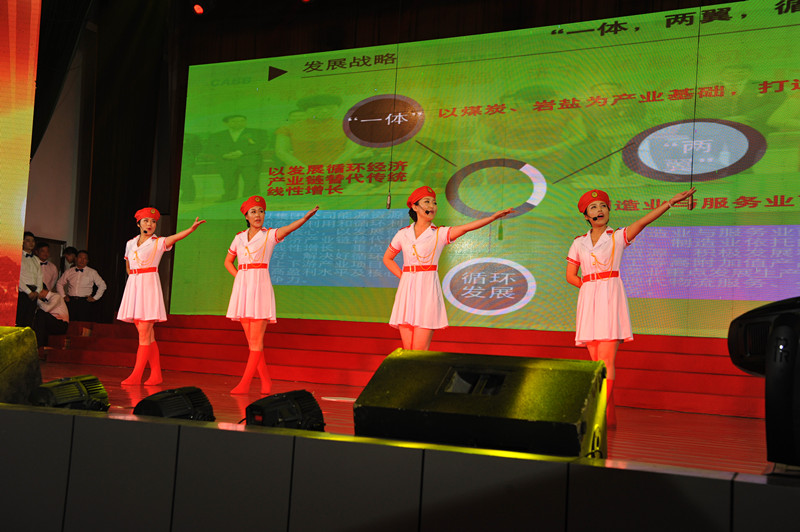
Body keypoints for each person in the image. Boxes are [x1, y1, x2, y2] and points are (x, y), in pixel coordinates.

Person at [565, 187, 696, 427]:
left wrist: (670, 202)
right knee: (596, 364)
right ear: (586, 216)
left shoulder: (617, 236)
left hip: (609, 296)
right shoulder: (578, 242)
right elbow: (570, 276)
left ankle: (596, 412)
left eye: (603, 206)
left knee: (606, 362)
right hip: (588, 299)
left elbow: (643, 221)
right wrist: (588, 286)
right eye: (593, 207)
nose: (599, 210)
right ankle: (609, 418)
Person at [382, 186, 513, 350]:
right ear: (415, 207)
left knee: (419, 350)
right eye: (427, 202)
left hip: (427, 290)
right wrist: (404, 277)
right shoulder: (403, 234)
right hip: (406, 292)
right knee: (407, 349)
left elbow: (466, 228)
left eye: (434, 203)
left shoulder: (439, 233)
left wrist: (492, 218)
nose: (432, 206)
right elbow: (387, 258)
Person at [224, 195, 319, 394]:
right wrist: (240, 277)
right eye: (253, 212)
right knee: (252, 343)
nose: (258, 215)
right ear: (246, 216)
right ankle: (266, 382)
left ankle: (245, 384)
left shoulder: (269, 235)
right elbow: (228, 262)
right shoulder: (239, 237)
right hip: (243, 290)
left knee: (256, 342)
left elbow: (289, 228)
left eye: (261, 211)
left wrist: (304, 218)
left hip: (260, 288)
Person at [118, 207, 206, 385]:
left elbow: (175, 237)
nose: (150, 224)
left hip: (149, 286)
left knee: (144, 333)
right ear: (138, 223)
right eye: (146, 221)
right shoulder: (130, 243)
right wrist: (133, 278)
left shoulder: (158, 242)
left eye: (153, 221)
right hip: (134, 286)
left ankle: (137, 375)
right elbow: (128, 264)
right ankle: (156, 375)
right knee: (147, 335)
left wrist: (190, 229)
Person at [207, 115, 269, 201]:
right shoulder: (217, 135)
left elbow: (261, 144)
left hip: (250, 162)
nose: (239, 123)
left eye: (242, 121)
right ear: (226, 123)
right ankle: (229, 200)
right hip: (227, 162)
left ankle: (251, 201)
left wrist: (242, 152)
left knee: (251, 183)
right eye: (234, 121)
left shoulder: (257, 132)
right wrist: (223, 155)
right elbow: (211, 148)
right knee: (229, 183)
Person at [55, 250, 107, 322]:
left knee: (84, 324)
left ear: (87, 261)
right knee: (69, 323)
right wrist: (63, 296)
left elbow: (102, 285)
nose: (82, 260)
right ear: (76, 258)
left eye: (85, 258)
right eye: (80, 257)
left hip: (85, 302)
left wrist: (95, 298)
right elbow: (59, 283)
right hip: (71, 301)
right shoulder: (69, 271)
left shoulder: (92, 272)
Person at [17, 231, 43, 327]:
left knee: (29, 320)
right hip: (23, 292)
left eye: (33, 241)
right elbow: (16, 277)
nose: (31, 243)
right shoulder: (18, 256)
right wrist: (28, 292)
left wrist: (37, 291)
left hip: (34, 292)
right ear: (23, 241)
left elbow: (40, 276)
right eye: (28, 240)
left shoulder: (36, 259)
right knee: (20, 319)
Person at [33, 290, 69, 356]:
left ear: (42, 291)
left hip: (61, 324)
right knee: (39, 317)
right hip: (52, 323)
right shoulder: (45, 300)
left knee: (41, 313)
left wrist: (37, 300)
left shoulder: (56, 296)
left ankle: (39, 345)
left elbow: (47, 309)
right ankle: (39, 345)